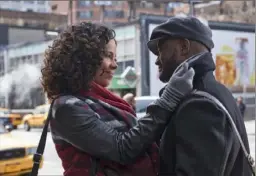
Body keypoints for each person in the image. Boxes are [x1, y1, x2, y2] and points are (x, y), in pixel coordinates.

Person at [41, 22, 195, 176]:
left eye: (115, 58)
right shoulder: (66, 107)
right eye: (108, 56)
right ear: (83, 57)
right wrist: (170, 97)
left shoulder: (108, 101)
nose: (115, 65)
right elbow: (123, 149)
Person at [147, 16, 251, 176]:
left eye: (161, 50)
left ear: (183, 47)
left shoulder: (198, 103)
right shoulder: (216, 91)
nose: (157, 61)